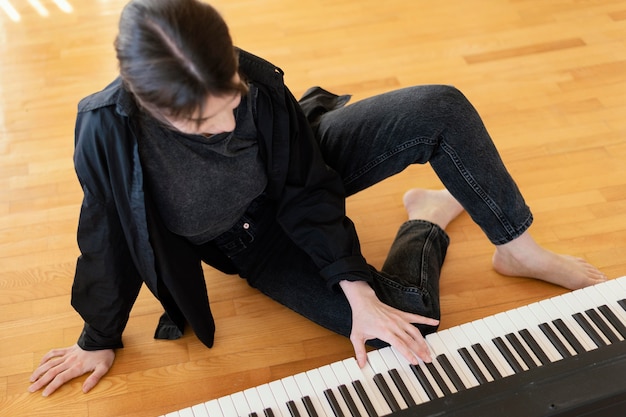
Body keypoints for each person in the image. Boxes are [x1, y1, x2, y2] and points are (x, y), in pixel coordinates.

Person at [28, 0, 606, 398]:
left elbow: (305, 185)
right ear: (150, 104)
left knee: (440, 107)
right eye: (207, 122)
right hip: (249, 241)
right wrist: (98, 339)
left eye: (234, 98)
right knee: (403, 329)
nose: (233, 123)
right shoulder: (105, 130)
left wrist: (353, 285)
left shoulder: (251, 81)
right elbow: (107, 233)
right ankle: (426, 219)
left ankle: (519, 249)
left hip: (296, 164)